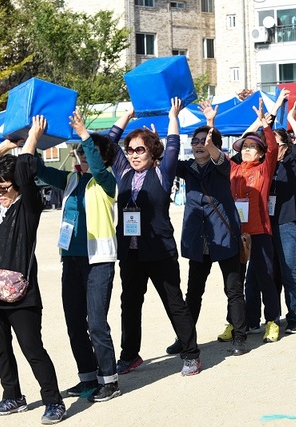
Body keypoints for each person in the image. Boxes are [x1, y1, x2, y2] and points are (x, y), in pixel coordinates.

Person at [0, 116, 66, 424]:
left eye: (4, 187)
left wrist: (32, 139)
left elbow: (25, 172)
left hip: (21, 290)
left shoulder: (27, 207)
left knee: (32, 348)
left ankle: (54, 401)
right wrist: (6, 145)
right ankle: (12, 395)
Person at [32, 111, 120, 402]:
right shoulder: (71, 179)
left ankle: (110, 379)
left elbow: (96, 166)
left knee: (96, 322)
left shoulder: (106, 181)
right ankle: (87, 378)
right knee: (74, 322)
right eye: (79, 154)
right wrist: (31, 139)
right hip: (70, 259)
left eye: (85, 154)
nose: (80, 158)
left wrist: (85, 134)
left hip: (99, 260)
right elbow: (38, 170)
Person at [110, 98, 201, 376]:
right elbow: (107, 145)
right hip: (131, 252)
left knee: (174, 302)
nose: (134, 154)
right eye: (131, 150)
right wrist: (126, 116)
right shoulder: (123, 172)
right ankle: (129, 355)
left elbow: (173, 144)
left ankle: (191, 355)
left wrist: (173, 115)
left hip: (159, 252)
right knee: (130, 304)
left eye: (140, 149)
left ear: (151, 152)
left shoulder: (161, 173)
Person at [168, 124, 248, 356]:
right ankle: (185, 339)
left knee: (233, 290)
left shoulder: (222, 167)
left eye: (204, 141)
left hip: (224, 236)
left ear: (214, 145)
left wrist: (210, 130)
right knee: (193, 292)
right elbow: (169, 158)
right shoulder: (188, 168)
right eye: (195, 141)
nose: (199, 144)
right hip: (199, 239)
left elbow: (220, 160)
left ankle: (240, 337)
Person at [228, 98, 280, 343]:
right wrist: (210, 124)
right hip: (236, 233)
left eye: (252, 146)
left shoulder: (264, 168)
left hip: (259, 232)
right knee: (236, 281)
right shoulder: (234, 169)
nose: (247, 149)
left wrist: (265, 127)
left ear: (259, 152)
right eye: (244, 146)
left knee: (265, 277)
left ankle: (272, 321)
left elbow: (273, 149)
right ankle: (237, 322)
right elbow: (216, 153)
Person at [270, 101, 296, 334]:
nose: (269, 147)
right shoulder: (263, 164)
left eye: (274, 142)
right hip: (265, 223)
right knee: (265, 272)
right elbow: (242, 143)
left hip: (287, 222)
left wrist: (292, 120)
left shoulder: (293, 161)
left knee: (288, 270)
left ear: (285, 145)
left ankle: (294, 316)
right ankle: (270, 317)